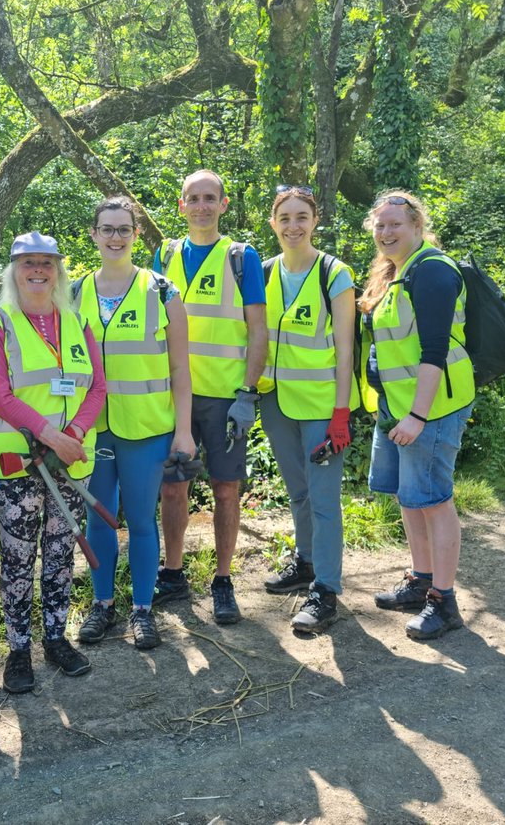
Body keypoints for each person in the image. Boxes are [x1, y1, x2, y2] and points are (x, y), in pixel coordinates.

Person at [0, 231, 106, 693]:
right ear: (13, 270)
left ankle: (55, 638)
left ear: (59, 270)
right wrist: (49, 434)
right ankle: (17, 650)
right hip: (17, 469)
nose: (37, 271)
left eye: (46, 263)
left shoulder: (78, 322)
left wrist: (72, 436)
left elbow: (97, 388)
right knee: (16, 561)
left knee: (59, 554)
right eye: (27, 262)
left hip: (68, 464)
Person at [73, 197, 194, 651]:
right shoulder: (74, 292)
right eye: (107, 229)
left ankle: (143, 610)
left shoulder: (163, 292)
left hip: (147, 428)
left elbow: (181, 370)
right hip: (92, 429)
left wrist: (183, 431)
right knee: (98, 519)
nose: (115, 237)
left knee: (143, 520)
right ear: (93, 234)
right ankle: (102, 605)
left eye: (124, 229)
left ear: (137, 234)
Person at [151, 170, 267, 625]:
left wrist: (248, 393)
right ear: (181, 205)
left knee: (225, 488)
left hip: (224, 396)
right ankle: (174, 574)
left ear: (223, 204)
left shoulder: (242, 257)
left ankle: (222, 581)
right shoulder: (166, 254)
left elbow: (258, 330)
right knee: (172, 485)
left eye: (209, 198)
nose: (201, 205)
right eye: (192, 198)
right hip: (172, 395)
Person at [360, 191, 475, 640]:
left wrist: (418, 417)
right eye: (380, 225)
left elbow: (434, 352)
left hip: (432, 408)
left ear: (417, 227)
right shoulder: (395, 273)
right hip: (398, 407)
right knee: (410, 498)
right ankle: (421, 578)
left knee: (433, 498)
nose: (386, 233)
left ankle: (443, 602)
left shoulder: (432, 271)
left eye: (396, 225)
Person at [258, 186, 358, 633]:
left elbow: (345, 350)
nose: (293, 226)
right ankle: (306, 562)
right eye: (285, 218)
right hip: (276, 402)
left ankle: (326, 590)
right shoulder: (263, 273)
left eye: (302, 217)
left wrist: (341, 413)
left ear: (315, 221)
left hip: (321, 405)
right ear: (273, 223)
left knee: (322, 500)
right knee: (297, 492)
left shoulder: (334, 274)